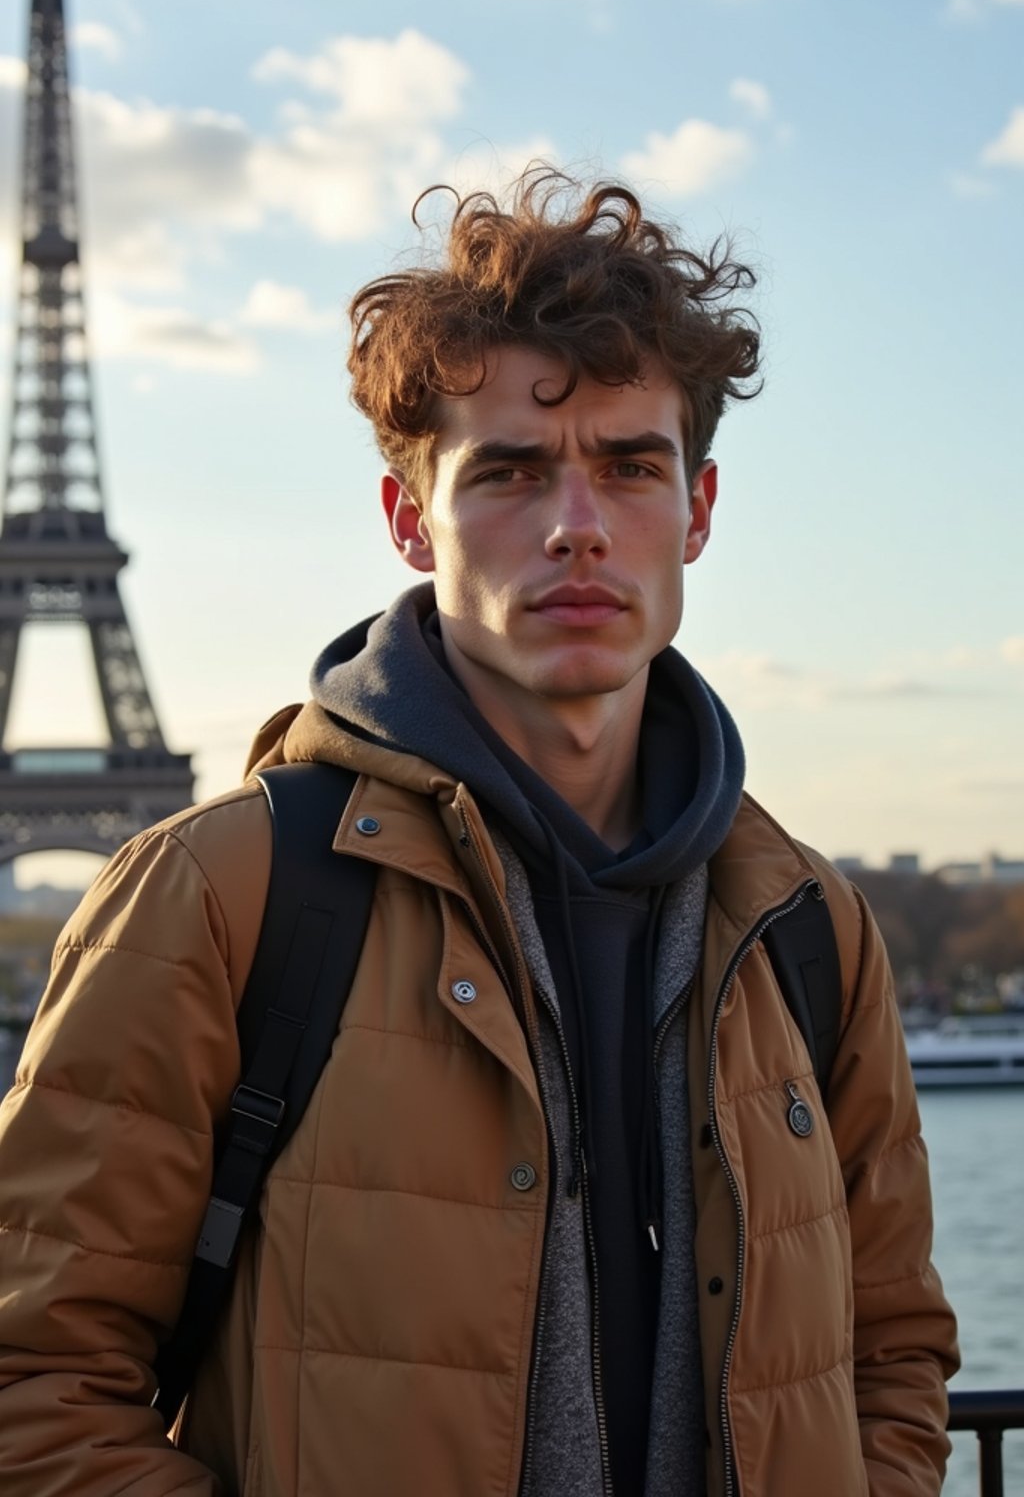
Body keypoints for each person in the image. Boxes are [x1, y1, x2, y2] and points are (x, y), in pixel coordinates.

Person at [0, 168, 958, 1497]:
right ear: (410, 521)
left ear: (701, 512)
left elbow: (894, 1351)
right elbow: (34, 1387)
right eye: (509, 472)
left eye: (631, 466)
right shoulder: (215, 901)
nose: (577, 526)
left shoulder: (807, 924)